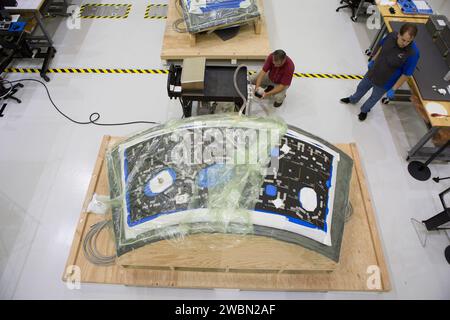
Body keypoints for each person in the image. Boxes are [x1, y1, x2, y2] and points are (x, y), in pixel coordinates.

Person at [340, 23, 420, 121]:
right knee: (361, 87)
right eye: (403, 39)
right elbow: (382, 48)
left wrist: (393, 89)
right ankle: (353, 99)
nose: (405, 43)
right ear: (399, 34)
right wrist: (373, 60)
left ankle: (364, 110)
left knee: (374, 98)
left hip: (385, 82)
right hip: (373, 71)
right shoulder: (391, 36)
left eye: (409, 41)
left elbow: (406, 74)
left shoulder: (413, 53)